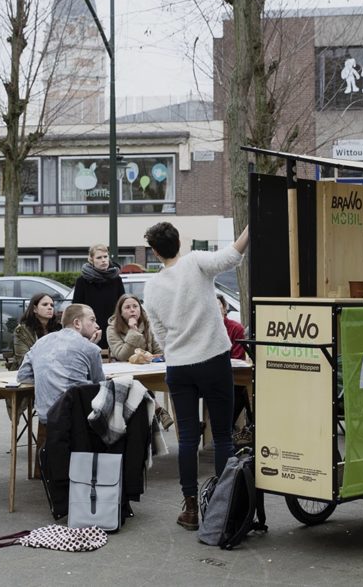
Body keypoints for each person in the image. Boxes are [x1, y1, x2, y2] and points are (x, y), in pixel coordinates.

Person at [142, 221, 250, 531]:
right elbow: (231, 256)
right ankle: (221, 503)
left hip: (179, 367)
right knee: (222, 435)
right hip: (214, 359)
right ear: (180, 240)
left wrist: (175, 350)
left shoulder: (152, 286)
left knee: (187, 438)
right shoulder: (195, 263)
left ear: (154, 252)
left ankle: (190, 507)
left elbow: (159, 331)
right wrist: (249, 228)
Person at [16, 304, 104, 425]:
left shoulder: (41, 342)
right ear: (77, 323)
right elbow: (100, 386)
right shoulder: (90, 348)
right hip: (78, 417)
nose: (97, 325)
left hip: (46, 415)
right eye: (92, 320)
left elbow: (23, 376)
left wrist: (48, 378)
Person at [107, 293, 175, 430]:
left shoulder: (148, 324)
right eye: (127, 307)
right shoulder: (112, 329)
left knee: (175, 380)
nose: (132, 310)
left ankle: (185, 421)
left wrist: (156, 355)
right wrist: (133, 331)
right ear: (120, 312)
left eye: (135, 306)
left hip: (148, 369)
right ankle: (158, 410)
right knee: (137, 383)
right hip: (125, 373)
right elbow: (121, 354)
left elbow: (158, 349)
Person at [71, 244, 125, 351]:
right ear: (91, 260)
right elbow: (76, 308)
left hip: (112, 328)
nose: (103, 260)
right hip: (89, 329)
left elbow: (122, 304)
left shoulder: (116, 279)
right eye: (99, 258)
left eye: (105, 257)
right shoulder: (82, 281)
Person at [219, 293, 253, 446]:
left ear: (225, 309)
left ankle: (229, 429)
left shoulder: (235, 328)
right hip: (209, 376)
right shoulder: (203, 330)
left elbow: (238, 356)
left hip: (232, 374)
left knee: (241, 388)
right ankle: (232, 430)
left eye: (218, 307)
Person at [9, 292, 62, 371]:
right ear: (34, 309)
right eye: (45, 304)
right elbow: (23, 359)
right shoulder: (22, 330)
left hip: (56, 372)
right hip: (28, 373)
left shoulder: (58, 328)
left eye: (52, 305)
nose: (50, 307)